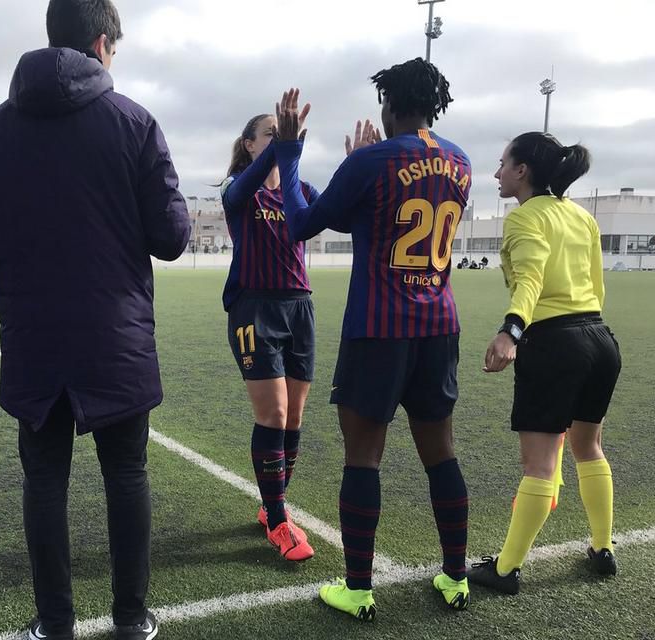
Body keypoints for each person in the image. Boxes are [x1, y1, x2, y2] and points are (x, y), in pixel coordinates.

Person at [0, 2, 189, 638]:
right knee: (127, 473)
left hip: (33, 334)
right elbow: (171, 237)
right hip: (115, 336)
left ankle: (55, 624)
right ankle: (132, 621)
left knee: (44, 479)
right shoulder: (136, 123)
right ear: (100, 43)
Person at [274, 58, 473, 619]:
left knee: (363, 458)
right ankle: (456, 579)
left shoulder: (375, 158)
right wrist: (356, 170)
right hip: (439, 327)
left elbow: (302, 224)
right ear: (433, 104)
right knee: (442, 455)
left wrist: (290, 154)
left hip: (379, 329)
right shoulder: (460, 160)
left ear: (388, 106)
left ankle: (359, 590)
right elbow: (369, 217)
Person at [468, 134, 621, 594]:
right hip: (600, 341)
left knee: (539, 466)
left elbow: (530, 278)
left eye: (502, 164)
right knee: (588, 447)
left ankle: (505, 570)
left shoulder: (524, 218)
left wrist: (511, 331)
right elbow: (597, 284)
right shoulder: (581, 216)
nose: (496, 174)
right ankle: (602, 546)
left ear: (523, 172)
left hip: (554, 343)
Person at [219, 105, 317, 563]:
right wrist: (284, 147)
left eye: (284, 134)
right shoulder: (241, 194)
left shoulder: (299, 190)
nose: (280, 139)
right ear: (251, 145)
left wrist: (363, 159)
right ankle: (279, 520)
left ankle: (270, 505)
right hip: (255, 309)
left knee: (294, 417)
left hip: (300, 308)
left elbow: (334, 208)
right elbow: (245, 184)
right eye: (270, 134)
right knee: (274, 415)